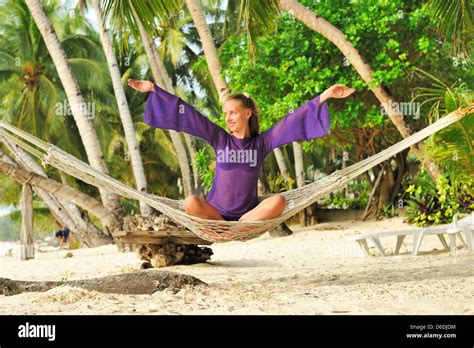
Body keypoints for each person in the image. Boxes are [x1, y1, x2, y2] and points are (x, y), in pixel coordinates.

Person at [128, 79, 355, 222]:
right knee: (190, 202)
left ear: (247, 113)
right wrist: (154, 90)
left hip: (248, 215)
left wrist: (325, 95)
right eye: (226, 114)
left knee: (278, 201)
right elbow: (189, 113)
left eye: (233, 113)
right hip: (215, 214)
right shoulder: (218, 138)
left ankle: (240, 226)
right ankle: (225, 227)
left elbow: (292, 121)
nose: (228, 118)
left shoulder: (262, 143)